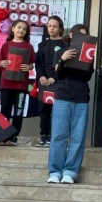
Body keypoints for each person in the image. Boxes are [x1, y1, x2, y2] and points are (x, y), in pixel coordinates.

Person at [47, 24, 93, 184]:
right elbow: (57, 75)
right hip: (62, 97)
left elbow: (87, 77)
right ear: (72, 36)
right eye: (81, 35)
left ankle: (70, 171)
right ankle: (54, 171)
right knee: (58, 135)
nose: (84, 38)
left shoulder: (89, 53)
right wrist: (62, 59)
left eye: (86, 35)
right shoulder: (60, 51)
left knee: (78, 137)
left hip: (81, 98)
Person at [0, 19, 32, 146]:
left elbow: (32, 64)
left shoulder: (29, 46)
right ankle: (3, 136)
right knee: (4, 109)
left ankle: (14, 136)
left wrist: (29, 67)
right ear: (13, 29)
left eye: (24, 29)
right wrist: (0, 63)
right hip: (6, 84)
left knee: (19, 111)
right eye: (19, 27)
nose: (21, 30)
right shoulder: (6, 45)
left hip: (21, 85)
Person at [35, 16, 66, 147]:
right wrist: (41, 76)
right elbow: (38, 64)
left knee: (57, 110)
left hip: (58, 81)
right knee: (44, 109)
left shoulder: (65, 44)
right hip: (44, 82)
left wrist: (55, 76)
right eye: (49, 26)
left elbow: (64, 63)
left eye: (54, 26)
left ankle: (55, 136)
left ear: (60, 28)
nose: (52, 29)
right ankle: (44, 135)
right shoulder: (42, 45)